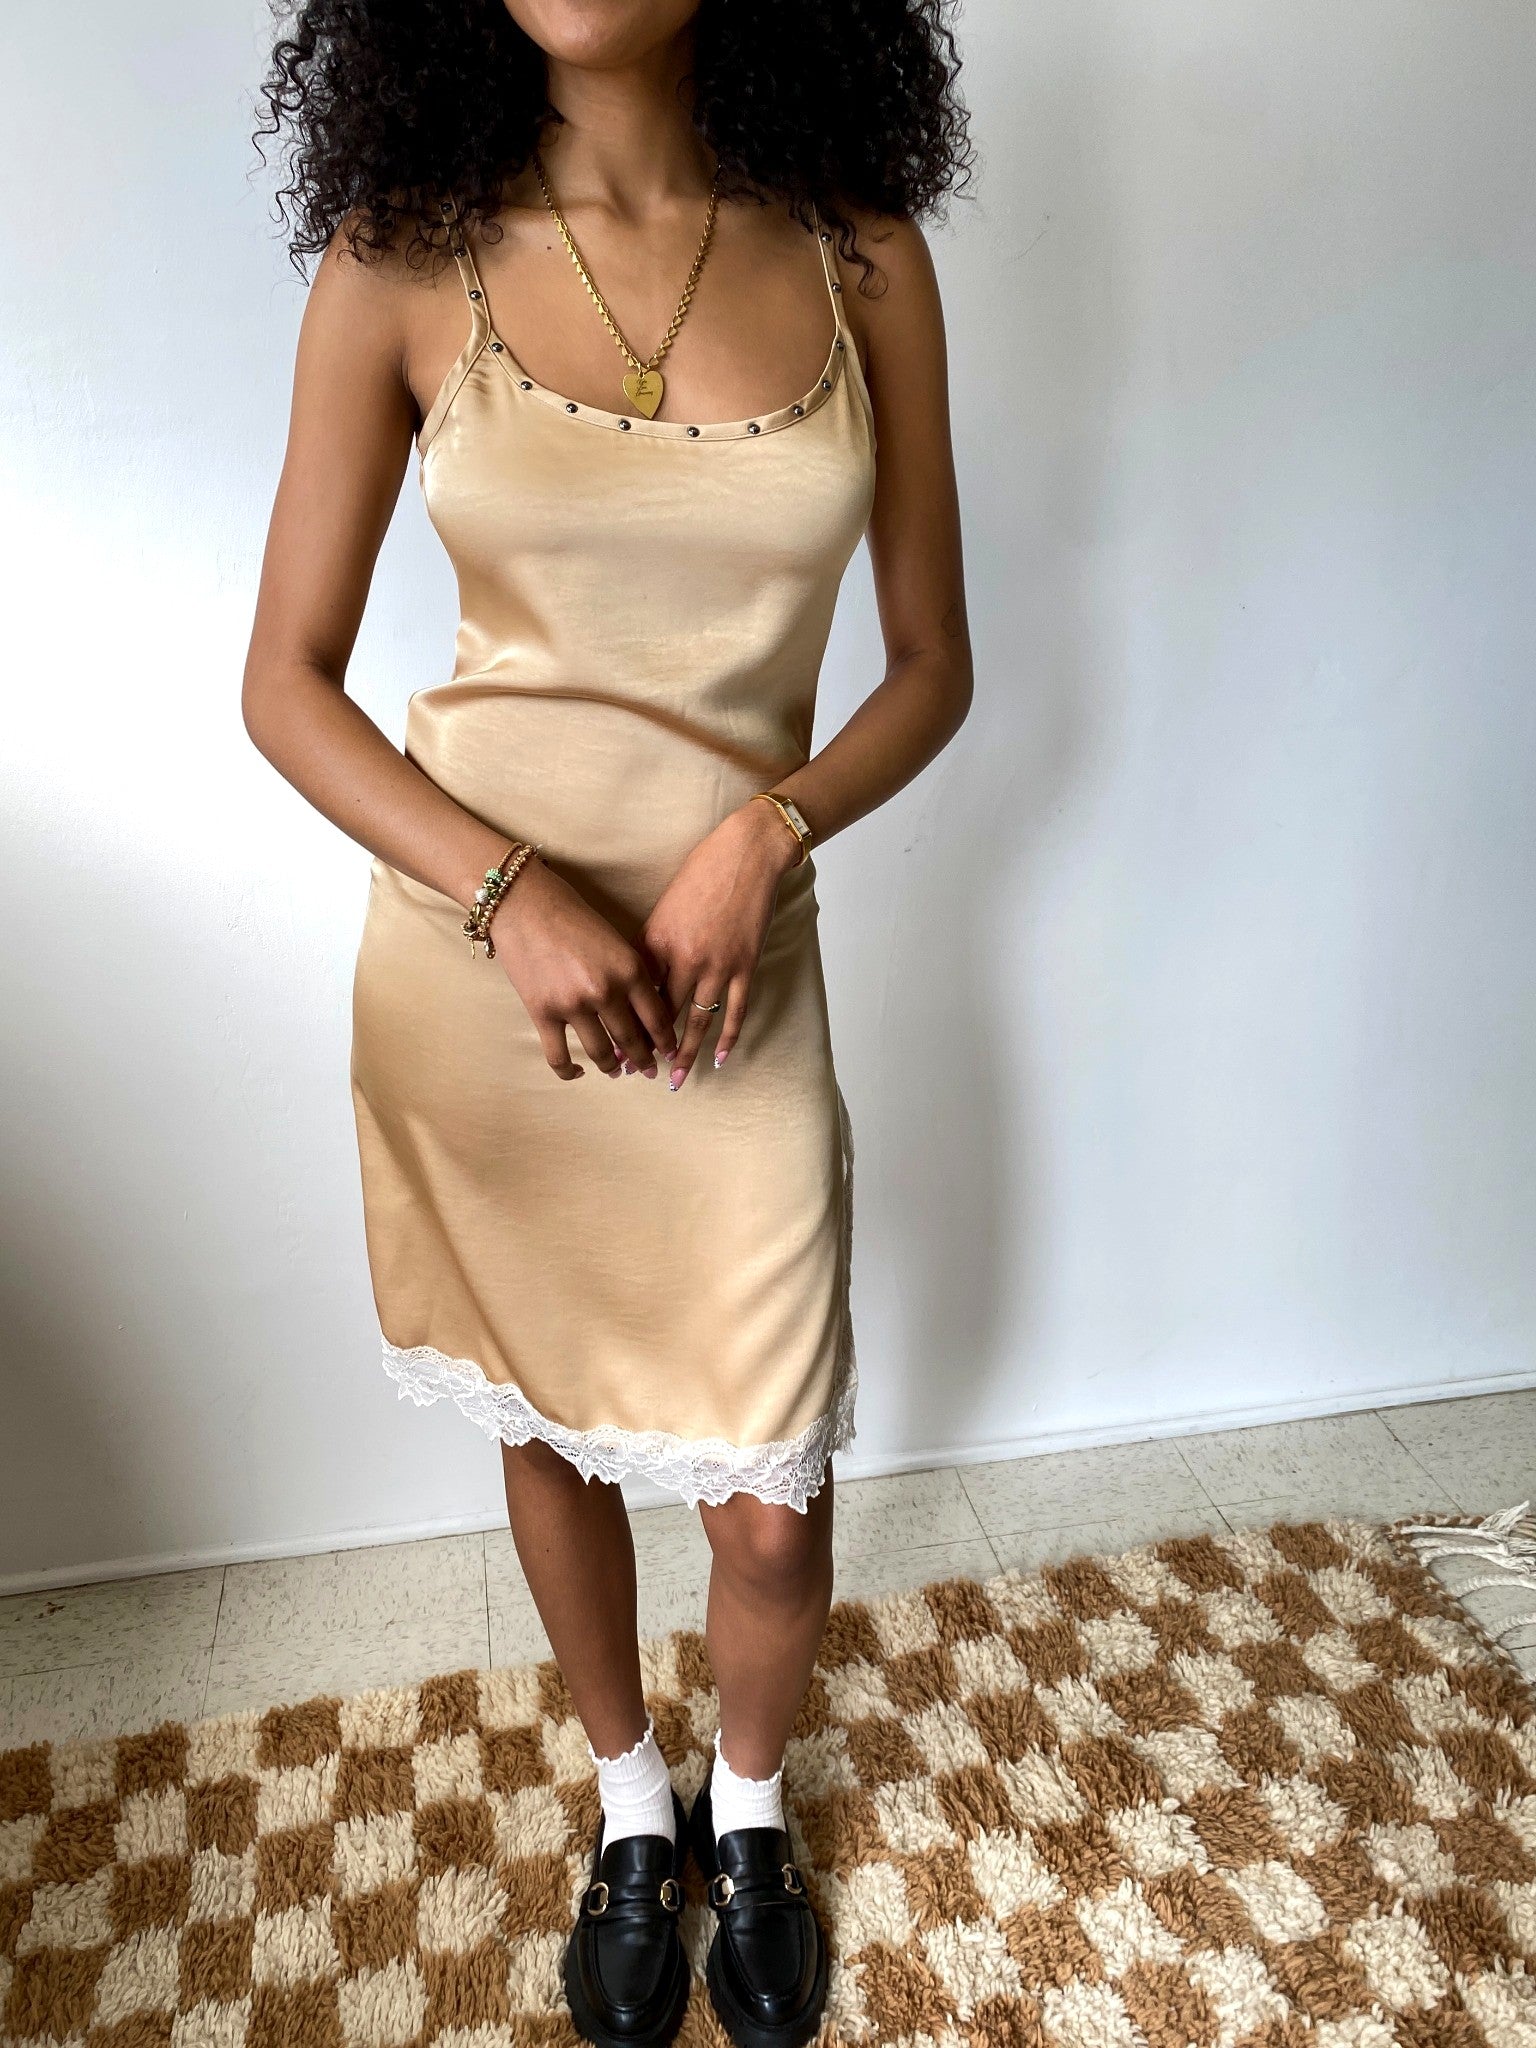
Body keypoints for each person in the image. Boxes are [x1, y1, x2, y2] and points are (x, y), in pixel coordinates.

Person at [244, 2, 972, 2041]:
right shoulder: (405, 252)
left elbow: (930, 662)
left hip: (739, 986)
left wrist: (776, 817)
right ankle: (631, 1808)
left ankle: (755, 1803)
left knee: (768, 1504)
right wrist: (504, 891)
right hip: (484, 992)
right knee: (542, 1406)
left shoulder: (863, 251)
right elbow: (285, 683)